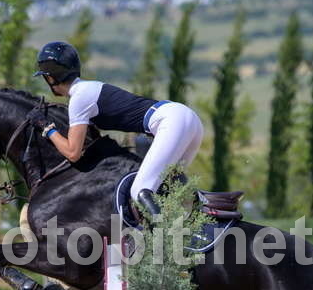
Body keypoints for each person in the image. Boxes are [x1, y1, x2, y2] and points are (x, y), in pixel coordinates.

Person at [31, 41, 204, 216]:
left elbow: (73, 153)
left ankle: (164, 234)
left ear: (50, 78)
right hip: (187, 118)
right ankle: (206, 217)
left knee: (140, 191)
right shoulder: (88, 88)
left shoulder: (78, 98)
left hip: (171, 121)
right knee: (170, 188)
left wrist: (47, 128)